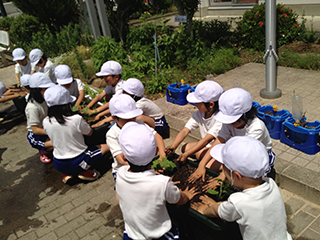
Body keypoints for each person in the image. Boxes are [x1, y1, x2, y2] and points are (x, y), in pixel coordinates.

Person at [192, 136, 292, 240]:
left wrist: (205, 210)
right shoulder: (271, 184)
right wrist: (217, 204)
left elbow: (217, 212)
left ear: (237, 176)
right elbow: (240, 207)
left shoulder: (239, 202)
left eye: (224, 168)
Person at [117, 121, 199, 240]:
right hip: (158, 236)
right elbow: (180, 200)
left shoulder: (121, 173)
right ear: (156, 152)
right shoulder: (162, 183)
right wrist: (187, 194)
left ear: (124, 156)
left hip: (132, 234)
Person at [189, 88, 275, 190]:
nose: (230, 123)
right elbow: (219, 140)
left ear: (245, 115)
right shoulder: (229, 123)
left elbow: (243, 154)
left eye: (233, 120)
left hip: (257, 158)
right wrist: (201, 165)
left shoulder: (256, 127)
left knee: (252, 185)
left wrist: (222, 177)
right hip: (236, 152)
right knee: (208, 166)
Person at [43, 85, 110, 183]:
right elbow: (90, 133)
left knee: (65, 161)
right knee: (107, 146)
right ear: (66, 105)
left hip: (58, 163)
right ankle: (87, 172)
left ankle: (66, 174)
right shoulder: (76, 119)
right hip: (79, 161)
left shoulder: (46, 121)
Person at [106, 94, 166, 185]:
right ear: (114, 118)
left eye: (133, 117)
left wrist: (162, 154)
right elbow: (121, 160)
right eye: (126, 119)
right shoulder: (112, 134)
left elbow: (157, 136)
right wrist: (147, 170)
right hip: (125, 169)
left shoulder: (139, 123)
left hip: (144, 165)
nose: (131, 121)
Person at [165, 80, 223, 163]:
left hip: (219, 149)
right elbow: (185, 131)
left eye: (198, 102)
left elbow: (207, 139)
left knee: (198, 154)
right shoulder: (199, 114)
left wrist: (187, 154)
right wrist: (173, 146)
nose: (195, 104)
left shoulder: (220, 119)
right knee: (184, 148)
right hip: (207, 146)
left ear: (211, 105)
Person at [25, 73, 55, 163]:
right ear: (38, 91)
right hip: (37, 135)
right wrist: (53, 132)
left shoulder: (45, 100)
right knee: (58, 144)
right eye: (46, 89)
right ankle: (43, 150)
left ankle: (48, 146)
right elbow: (35, 129)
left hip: (47, 128)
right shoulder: (32, 107)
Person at [86, 60, 124, 125]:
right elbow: (100, 95)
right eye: (103, 76)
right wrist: (88, 107)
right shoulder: (111, 84)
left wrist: (95, 111)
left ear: (116, 77)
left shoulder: (120, 87)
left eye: (107, 76)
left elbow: (111, 103)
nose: (104, 78)